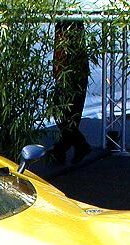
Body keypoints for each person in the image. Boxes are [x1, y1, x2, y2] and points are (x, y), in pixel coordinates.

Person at [50, 20, 92, 165]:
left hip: (72, 76)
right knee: (64, 114)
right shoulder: (66, 24)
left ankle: (64, 148)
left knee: (66, 115)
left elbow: (64, 52)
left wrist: (59, 70)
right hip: (69, 75)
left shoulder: (71, 25)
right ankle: (66, 148)